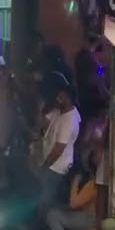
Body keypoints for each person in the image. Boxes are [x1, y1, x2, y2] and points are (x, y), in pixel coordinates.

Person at [36, 76, 81, 216]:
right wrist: (40, 109)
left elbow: (59, 149)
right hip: (51, 164)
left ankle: (44, 229)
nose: (57, 99)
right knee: (43, 197)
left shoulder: (69, 120)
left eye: (61, 97)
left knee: (46, 199)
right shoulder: (60, 112)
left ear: (69, 98)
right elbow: (45, 125)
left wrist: (45, 166)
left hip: (55, 166)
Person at [44, 156, 98, 230]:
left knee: (52, 215)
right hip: (87, 216)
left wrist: (75, 181)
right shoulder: (94, 183)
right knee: (61, 210)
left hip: (89, 218)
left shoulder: (93, 184)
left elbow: (74, 203)